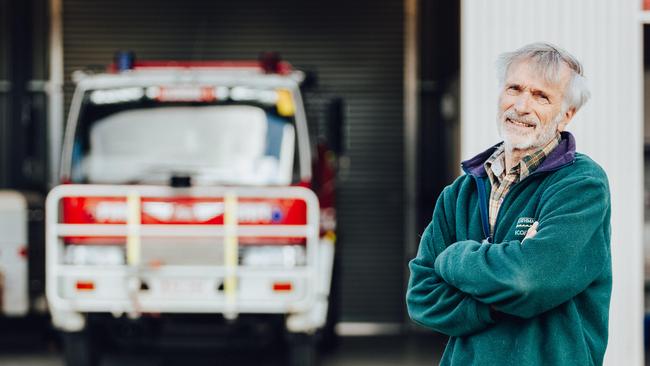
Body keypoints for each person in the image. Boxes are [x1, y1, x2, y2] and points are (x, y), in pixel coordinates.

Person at [406, 43, 611, 365]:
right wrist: (502, 289)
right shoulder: (459, 194)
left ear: (566, 115)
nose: (521, 105)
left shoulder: (581, 185)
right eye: (514, 88)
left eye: (541, 96)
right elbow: (422, 298)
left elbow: (527, 281)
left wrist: (454, 257)